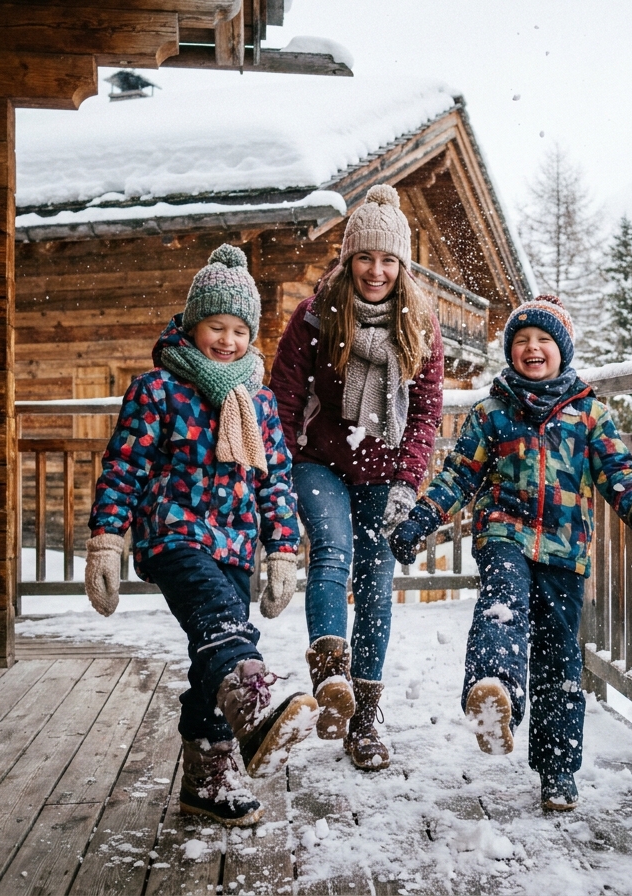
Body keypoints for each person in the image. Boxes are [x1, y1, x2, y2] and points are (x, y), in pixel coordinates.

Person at [389, 295, 632, 811]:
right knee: (504, 604)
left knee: (559, 658)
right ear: (509, 352)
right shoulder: (492, 415)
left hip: (564, 552)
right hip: (504, 535)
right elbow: (457, 477)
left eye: (543, 341)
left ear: (562, 351)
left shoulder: (589, 416)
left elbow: (619, 472)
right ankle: (493, 693)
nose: (532, 348)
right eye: (521, 341)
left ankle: (558, 768)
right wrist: (421, 520)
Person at [84, 244, 318, 827]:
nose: (229, 340)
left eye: (241, 329)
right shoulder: (158, 390)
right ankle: (254, 702)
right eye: (218, 325)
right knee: (223, 628)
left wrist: (283, 550)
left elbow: (276, 482)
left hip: (235, 544)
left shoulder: (258, 402)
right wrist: (108, 539)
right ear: (193, 325)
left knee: (211, 649)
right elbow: (125, 466)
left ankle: (209, 776)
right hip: (175, 535)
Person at [269, 184, 444, 770]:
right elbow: (285, 397)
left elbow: (424, 413)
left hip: (384, 469)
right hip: (319, 461)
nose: (376, 270)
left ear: (403, 265)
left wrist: (406, 483)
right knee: (332, 554)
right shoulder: (316, 315)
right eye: (366, 258)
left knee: (375, 580)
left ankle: (365, 717)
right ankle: (331, 679)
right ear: (348, 259)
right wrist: (278, 465)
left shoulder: (420, 324)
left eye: (388, 260)